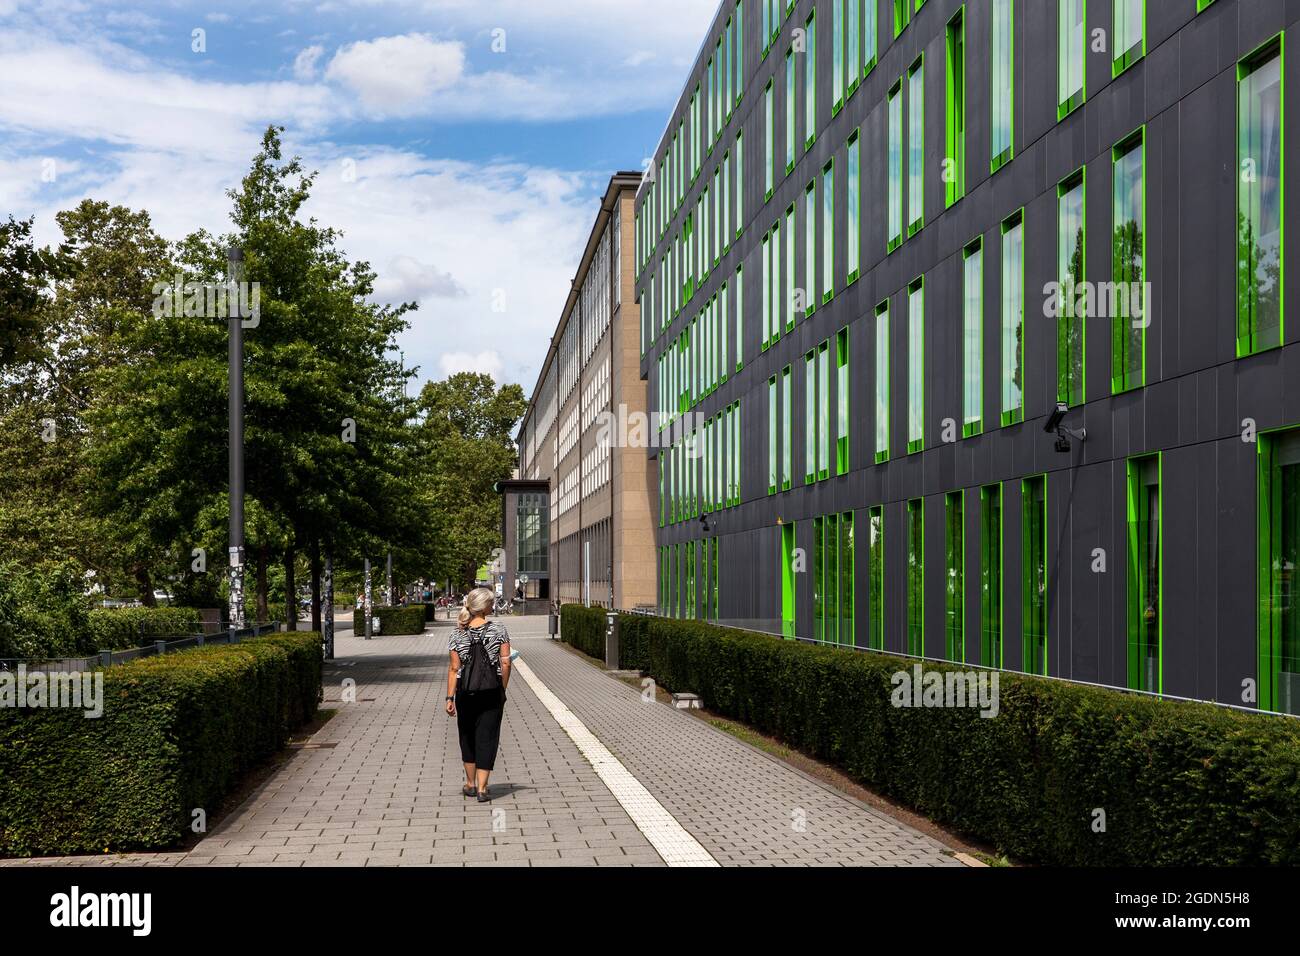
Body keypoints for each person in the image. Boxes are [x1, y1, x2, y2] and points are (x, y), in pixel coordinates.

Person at [445, 587, 511, 802]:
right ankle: (483, 788)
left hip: (465, 692)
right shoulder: (498, 630)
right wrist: (502, 687)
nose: (493, 606)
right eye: (491, 603)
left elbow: (454, 669)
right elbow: (506, 661)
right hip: (491, 692)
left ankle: (470, 784)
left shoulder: (456, 634)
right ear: (484, 607)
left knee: (467, 736)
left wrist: (449, 698)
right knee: (487, 736)